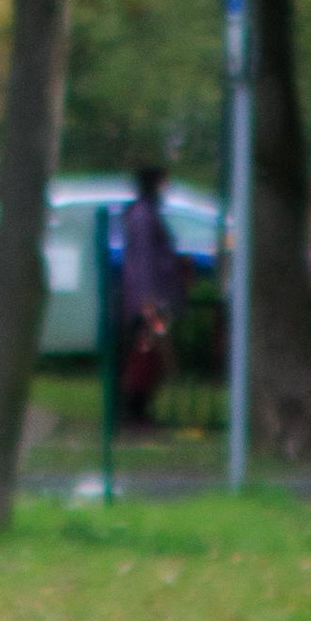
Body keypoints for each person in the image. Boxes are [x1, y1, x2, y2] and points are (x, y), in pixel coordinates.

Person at [118, 166, 184, 429]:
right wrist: (149, 300)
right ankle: (135, 413)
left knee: (150, 357)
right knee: (144, 356)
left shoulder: (146, 213)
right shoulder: (144, 216)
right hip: (147, 301)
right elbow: (144, 260)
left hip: (150, 298)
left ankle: (140, 410)